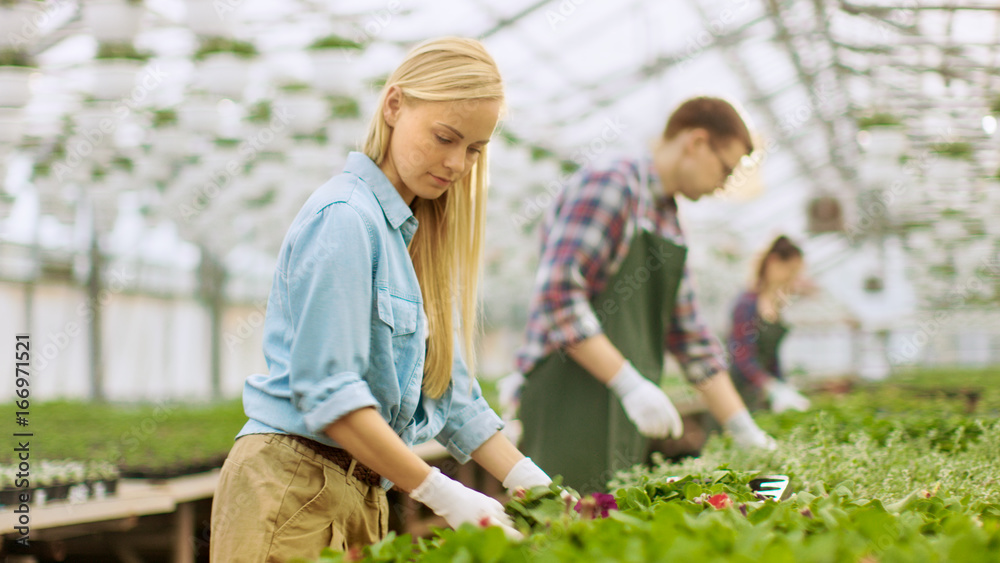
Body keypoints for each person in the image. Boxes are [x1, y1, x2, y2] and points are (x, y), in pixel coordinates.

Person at [210, 37, 555, 561]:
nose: (457, 163)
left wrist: (535, 486)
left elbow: (452, 394)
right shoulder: (347, 219)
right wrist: (441, 491)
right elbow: (331, 395)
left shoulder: (409, 238)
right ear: (394, 106)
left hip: (360, 489)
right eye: (445, 137)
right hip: (292, 484)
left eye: (473, 150)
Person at [512, 97, 776, 493]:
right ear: (696, 142)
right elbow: (558, 297)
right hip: (568, 399)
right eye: (726, 169)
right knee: (556, 531)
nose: (724, 184)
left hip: (619, 408)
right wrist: (628, 384)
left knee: (605, 533)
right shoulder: (612, 184)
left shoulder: (667, 218)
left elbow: (691, 337)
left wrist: (743, 428)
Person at [727, 235, 812, 413]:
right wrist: (770, 386)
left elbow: (773, 357)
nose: (792, 277)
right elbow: (741, 356)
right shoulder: (747, 304)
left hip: (762, 397)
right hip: (739, 396)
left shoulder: (776, 305)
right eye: (790, 270)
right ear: (773, 262)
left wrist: (782, 385)